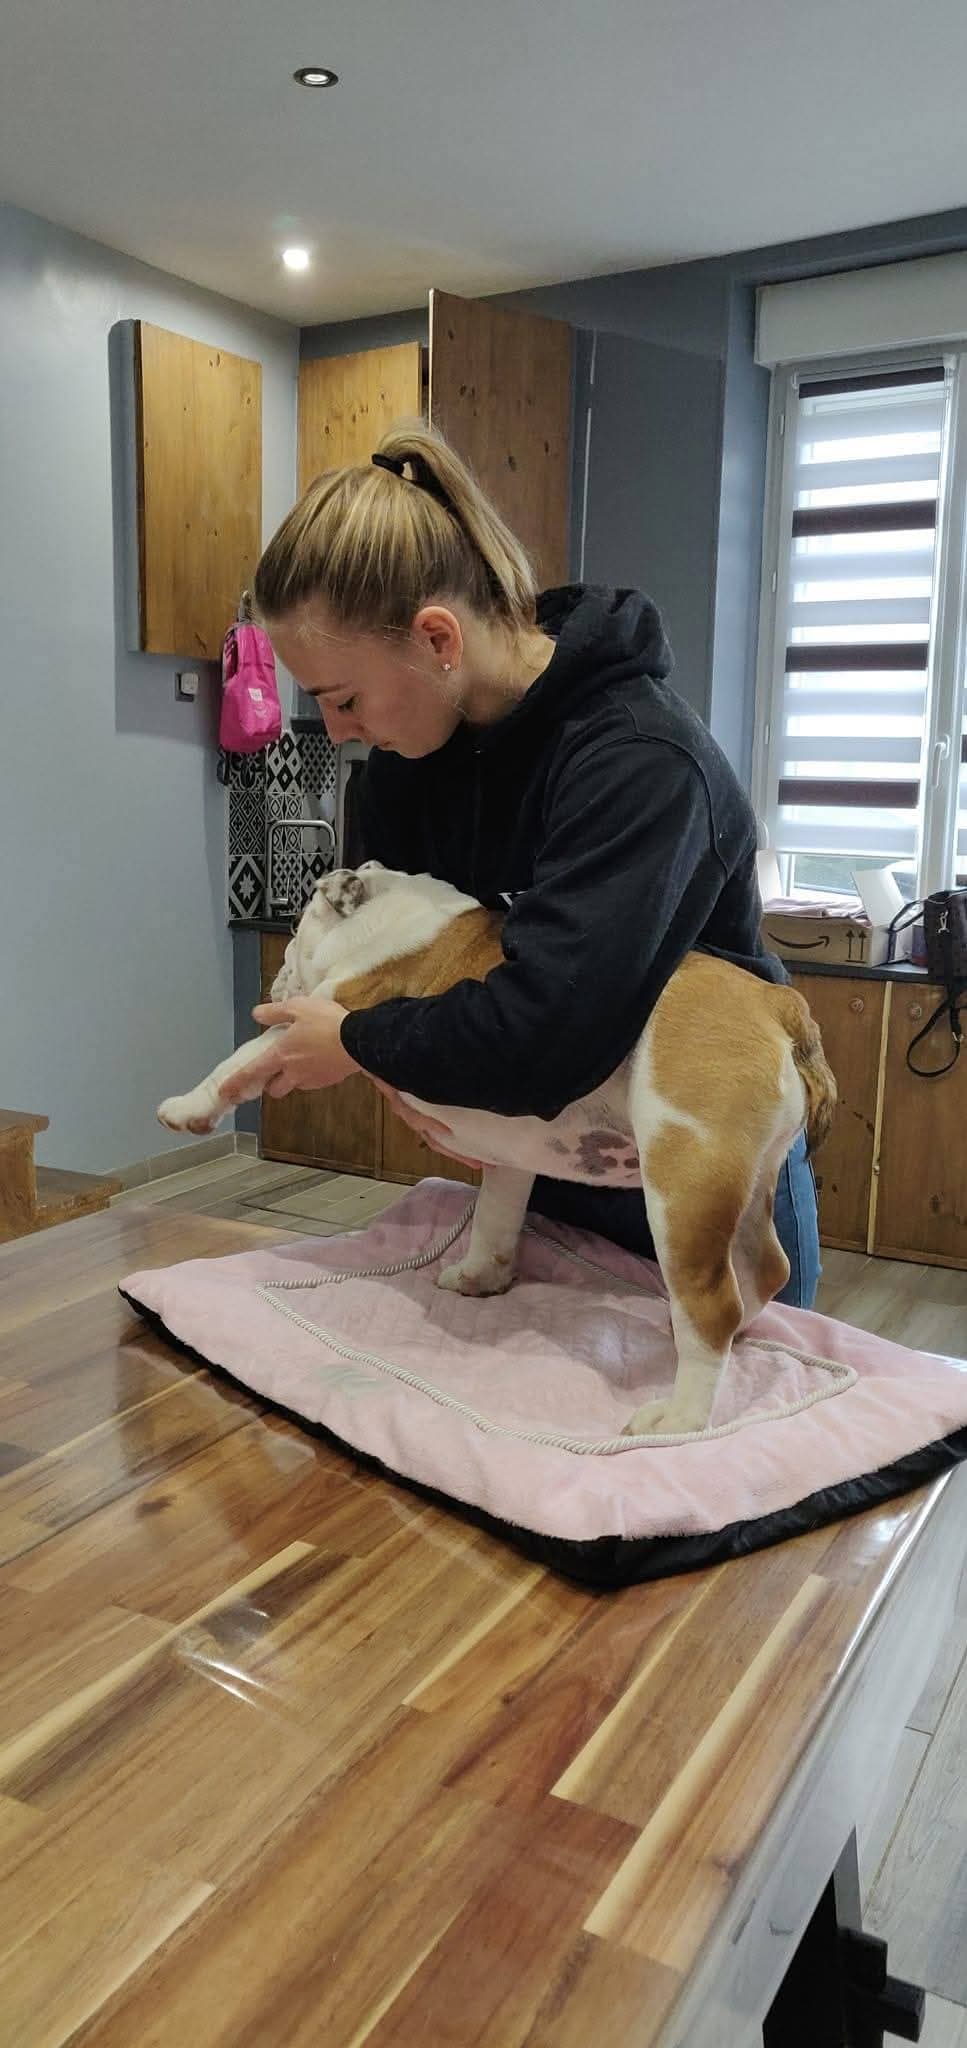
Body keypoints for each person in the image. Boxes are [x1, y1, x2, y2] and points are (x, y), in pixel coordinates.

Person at [232, 423, 820, 1307]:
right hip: (527, 1156)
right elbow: (401, 979)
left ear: (437, 638)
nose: (339, 731)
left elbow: (546, 1034)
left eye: (343, 698)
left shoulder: (641, 763)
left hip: (699, 1136)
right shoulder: (404, 767)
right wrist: (408, 1063)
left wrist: (355, 1042)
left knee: (707, 1368)